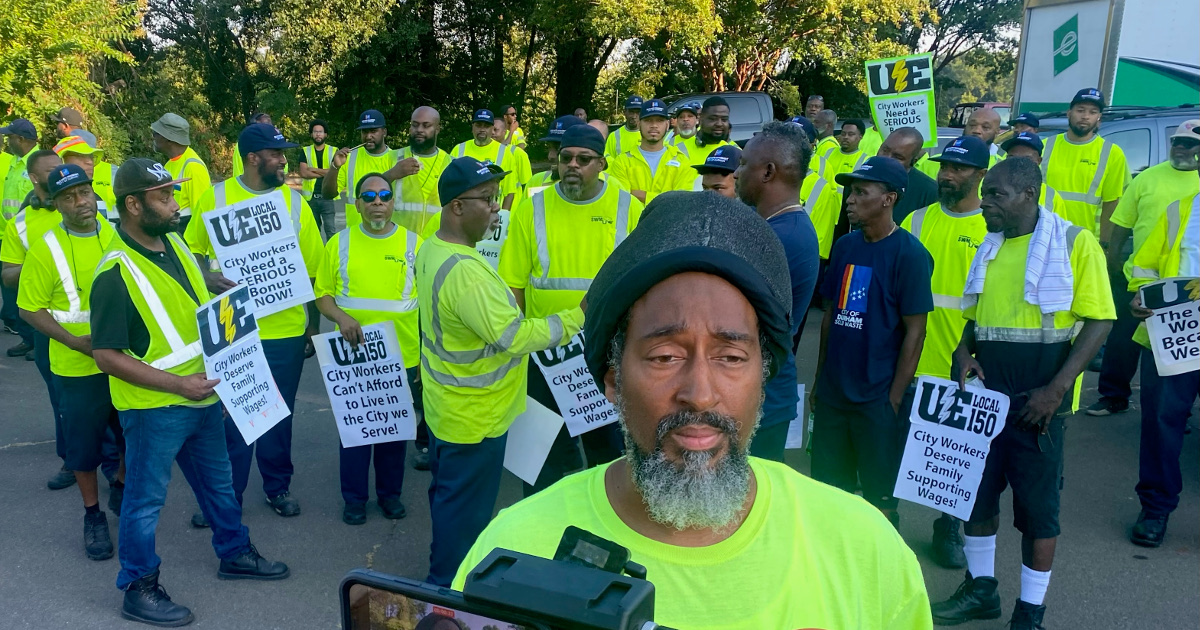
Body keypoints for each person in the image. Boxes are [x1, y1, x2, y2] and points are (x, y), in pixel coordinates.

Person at [454, 191, 932, 629]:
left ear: (763, 377)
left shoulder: (865, 549)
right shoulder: (513, 551)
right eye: (665, 357)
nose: (700, 394)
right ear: (613, 381)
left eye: (730, 357)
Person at [90, 158, 289, 626]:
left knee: (219, 484)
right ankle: (138, 586)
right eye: (164, 196)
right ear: (133, 205)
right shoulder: (114, 274)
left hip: (202, 396)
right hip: (156, 407)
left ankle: (235, 552)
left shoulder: (175, 244)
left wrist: (219, 288)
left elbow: (192, 307)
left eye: (173, 193)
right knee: (144, 501)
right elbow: (106, 356)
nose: (175, 203)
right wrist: (180, 384)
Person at [931, 157, 1113, 629]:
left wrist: (1055, 391)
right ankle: (981, 590)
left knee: (1038, 514)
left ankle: (1030, 612)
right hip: (987, 399)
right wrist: (961, 352)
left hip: (1040, 405)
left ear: (1028, 196)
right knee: (976, 498)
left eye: (996, 195)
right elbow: (977, 318)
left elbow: (1100, 321)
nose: (985, 203)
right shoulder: (990, 247)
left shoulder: (1074, 243)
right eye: (986, 193)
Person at [418, 156, 584, 586]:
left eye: (495, 199)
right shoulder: (466, 273)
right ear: (456, 207)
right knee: (466, 521)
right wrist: (575, 317)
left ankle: (443, 570)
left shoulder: (432, 247)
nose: (496, 208)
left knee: (448, 500)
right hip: (476, 418)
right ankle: (447, 595)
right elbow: (514, 336)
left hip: (447, 409)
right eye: (487, 200)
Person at [186, 124, 324, 524]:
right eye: (277, 154)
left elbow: (312, 273)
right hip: (234, 330)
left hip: (285, 330)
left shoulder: (296, 203)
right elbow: (190, 252)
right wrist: (208, 277)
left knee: (279, 415)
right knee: (232, 417)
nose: (284, 161)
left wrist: (310, 328)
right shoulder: (215, 198)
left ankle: (277, 486)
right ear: (252, 158)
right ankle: (227, 496)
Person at [500, 124, 644, 494]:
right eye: (566, 158)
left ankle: (602, 528)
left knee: (606, 455)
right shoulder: (532, 208)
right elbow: (513, 283)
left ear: (602, 164)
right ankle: (536, 531)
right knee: (539, 457)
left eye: (584, 159)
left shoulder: (630, 208)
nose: (573, 165)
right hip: (542, 355)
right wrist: (517, 346)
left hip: (603, 356)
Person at [810, 156, 933, 527]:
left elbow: (916, 331)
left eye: (861, 192)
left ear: (889, 199)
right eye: (850, 191)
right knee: (830, 492)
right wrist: (820, 380)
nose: (850, 199)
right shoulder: (846, 247)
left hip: (877, 400)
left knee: (880, 501)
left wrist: (893, 400)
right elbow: (830, 317)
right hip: (834, 396)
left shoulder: (909, 254)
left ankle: (883, 572)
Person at [17, 163, 125, 561]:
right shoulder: (46, 246)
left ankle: (122, 486)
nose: (81, 202)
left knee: (132, 433)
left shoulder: (114, 233)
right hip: (77, 367)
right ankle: (92, 515)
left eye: (85, 193)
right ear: (56, 203)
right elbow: (29, 309)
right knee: (83, 450)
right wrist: (74, 342)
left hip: (123, 361)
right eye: (69, 197)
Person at [899, 135, 991, 570]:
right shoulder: (916, 221)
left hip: (963, 368)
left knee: (953, 462)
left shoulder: (994, 228)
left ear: (981, 175)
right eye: (944, 167)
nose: (947, 175)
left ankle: (947, 528)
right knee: (894, 452)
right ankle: (888, 523)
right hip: (910, 359)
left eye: (958, 169)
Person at [315, 173, 423, 525]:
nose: (378, 201)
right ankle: (355, 500)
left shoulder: (414, 244)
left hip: (401, 357)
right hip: (353, 358)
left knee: (394, 434)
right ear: (358, 203)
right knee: (356, 433)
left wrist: (424, 356)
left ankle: (390, 497)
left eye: (385, 195)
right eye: (370, 196)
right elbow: (323, 295)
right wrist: (341, 317)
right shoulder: (339, 243)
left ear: (393, 202)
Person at [1091, 121, 1199, 417]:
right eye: (1176, 141)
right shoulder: (1148, 178)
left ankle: (1176, 411)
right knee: (1122, 341)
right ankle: (1113, 396)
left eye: (1187, 143)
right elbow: (1122, 224)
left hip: (1185, 286)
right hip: (1141, 277)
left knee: (1176, 350)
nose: (1179, 147)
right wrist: (1112, 262)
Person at [733, 121, 820, 461]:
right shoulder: (773, 228)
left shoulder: (782, 238)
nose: (736, 173)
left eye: (743, 163)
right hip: (759, 395)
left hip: (762, 399)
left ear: (768, 172)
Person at [1125, 172, 1199, 547]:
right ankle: (1155, 509)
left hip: (1180, 333)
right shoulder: (1178, 212)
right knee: (1161, 422)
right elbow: (1145, 265)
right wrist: (1141, 293)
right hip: (1175, 334)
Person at [1039, 88, 1130, 237]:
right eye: (1080, 110)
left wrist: (1105, 244)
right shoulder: (1045, 146)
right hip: (1045, 236)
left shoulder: (1112, 153)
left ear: (1099, 117)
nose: (1085, 116)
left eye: (1093, 112)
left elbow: (1111, 204)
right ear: (1069, 113)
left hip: (1086, 240)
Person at [606, 99, 697, 203]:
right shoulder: (622, 162)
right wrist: (664, 198)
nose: (654, 125)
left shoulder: (682, 161)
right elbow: (621, 199)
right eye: (648, 120)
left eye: (659, 120)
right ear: (639, 124)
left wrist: (641, 195)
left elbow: (680, 202)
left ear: (667, 125)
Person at [323, 110, 399, 227]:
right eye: (364, 132)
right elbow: (327, 194)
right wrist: (335, 167)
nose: (368, 136)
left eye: (373, 131)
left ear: (384, 132)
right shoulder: (349, 158)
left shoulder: (395, 159)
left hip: (386, 232)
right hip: (355, 233)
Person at [449, 109, 532, 210]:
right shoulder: (458, 150)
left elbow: (509, 192)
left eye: (486, 126)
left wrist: (503, 218)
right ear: (472, 127)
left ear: (492, 129)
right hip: (463, 212)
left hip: (491, 212)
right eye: (478, 125)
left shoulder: (504, 152)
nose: (482, 129)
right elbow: (449, 185)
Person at [391, 106, 452, 237]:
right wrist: (393, 173)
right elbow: (368, 190)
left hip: (436, 242)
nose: (419, 130)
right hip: (399, 241)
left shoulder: (451, 164)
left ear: (437, 129)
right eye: (415, 125)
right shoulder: (392, 157)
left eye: (426, 125)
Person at [151, 113, 211, 233]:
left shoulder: (193, 166)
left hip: (186, 237)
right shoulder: (168, 165)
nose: (153, 137)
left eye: (156, 133)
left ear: (168, 138)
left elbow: (203, 214)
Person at [999, 132, 1070, 219]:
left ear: (1038, 161)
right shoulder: (993, 189)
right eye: (1012, 158)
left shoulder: (1051, 196)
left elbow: (1060, 230)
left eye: (1026, 159)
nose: (1018, 163)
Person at [878, 127, 939, 223]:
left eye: (897, 157)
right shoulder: (859, 179)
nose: (887, 159)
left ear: (913, 161)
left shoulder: (930, 192)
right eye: (885, 150)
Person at [53, 135, 117, 221]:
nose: (89, 162)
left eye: (91, 157)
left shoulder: (94, 197)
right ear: (61, 161)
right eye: (79, 156)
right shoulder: (44, 202)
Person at [522, 115, 588, 197]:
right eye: (549, 147)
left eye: (559, 148)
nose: (551, 156)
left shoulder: (606, 186)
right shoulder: (536, 182)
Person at [297, 118, 339, 238]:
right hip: (311, 199)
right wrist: (327, 172)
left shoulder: (334, 151)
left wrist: (313, 169)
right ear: (311, 134)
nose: (318, 134)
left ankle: (331, 255)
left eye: (320, 132)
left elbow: (335, 172)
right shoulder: (305, 151)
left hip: (328, 198)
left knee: (331, 231)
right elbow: (304, 173)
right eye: (315, 132)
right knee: (313, 233)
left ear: (325, 134)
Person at [676, 96, 736, 166]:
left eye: (724, 119)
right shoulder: (678, 150)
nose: (719, 124)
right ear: (700, 119)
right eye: (713, 119)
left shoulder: (735, 153)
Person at [817, 119, 867, 185]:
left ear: (861, 136)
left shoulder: (865, 160)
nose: (845, 137)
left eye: (850, 134)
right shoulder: (828, 152)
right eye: (843, 134)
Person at [230, 112, 273, 177]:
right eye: (264, 126)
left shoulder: (274, 144)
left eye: (270, 126)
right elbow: (238, 171)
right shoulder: (243, 144)